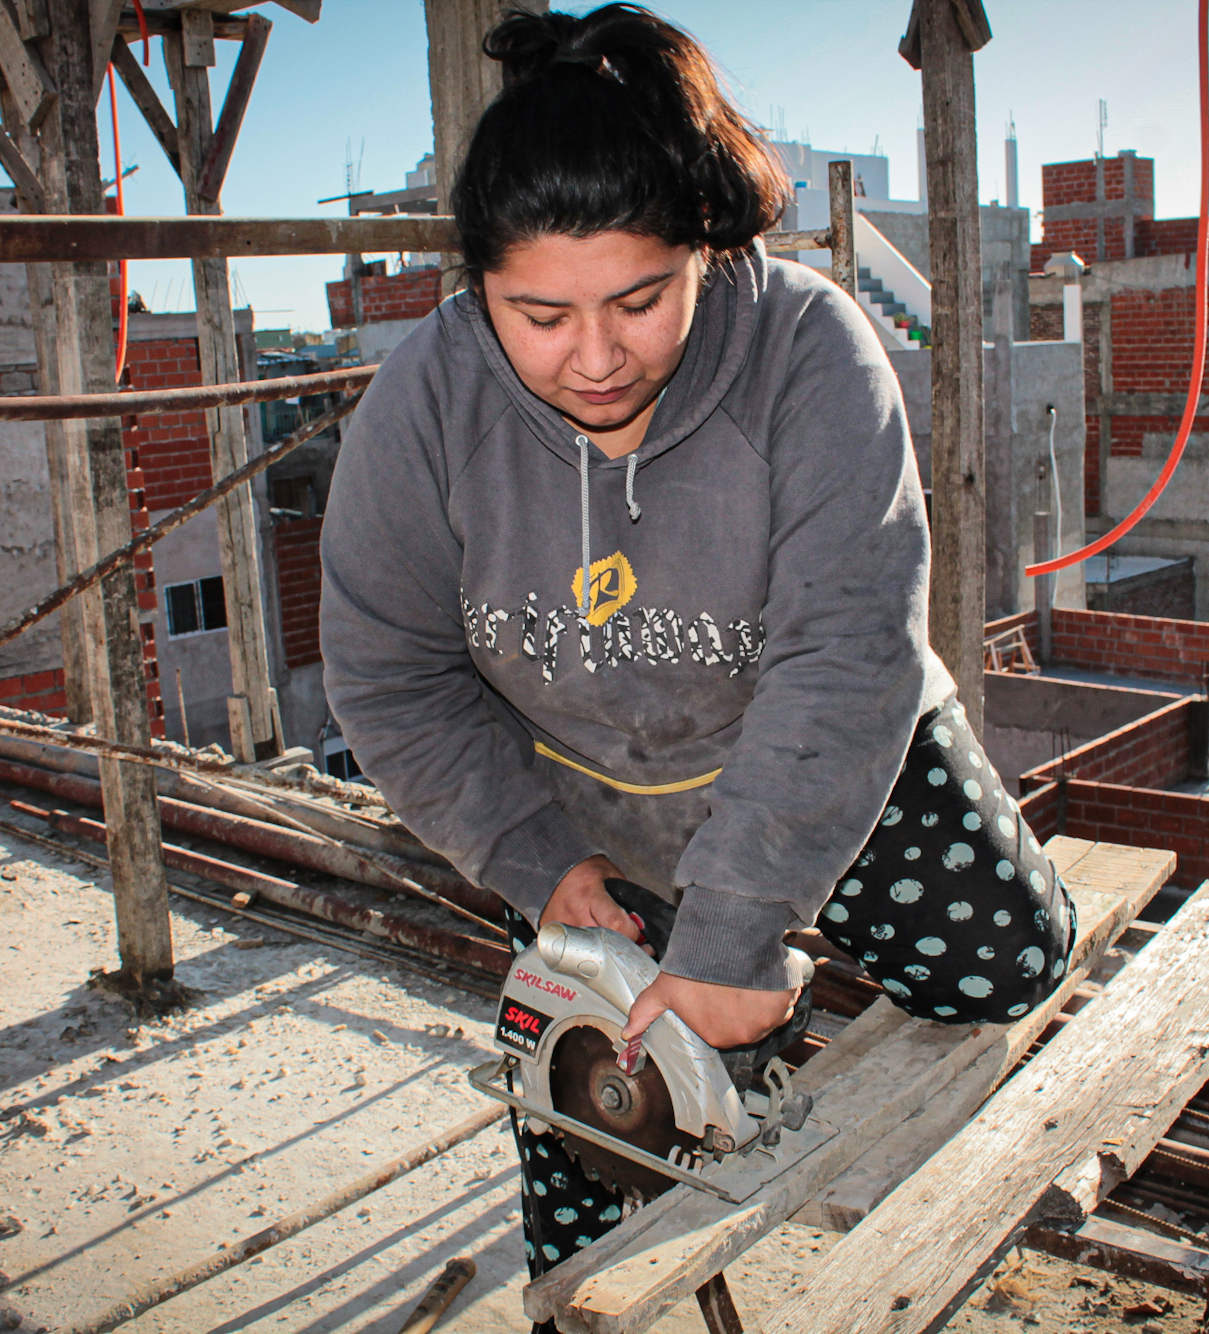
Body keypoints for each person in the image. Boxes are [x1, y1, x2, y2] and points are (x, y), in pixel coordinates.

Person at [317, 2, 1075, 1301]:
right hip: (587, 797)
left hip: (825, 745)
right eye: (538, 314)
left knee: (1006, 959)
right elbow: (390, 670)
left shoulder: (810, 354)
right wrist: (535, 860)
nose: (595, 358)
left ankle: (770, 964)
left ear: (706, 251)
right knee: (591, 1150)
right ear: (479, 285)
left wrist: (732, 924)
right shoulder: (425, 406)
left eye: (640, 299)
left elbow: (842, 659)